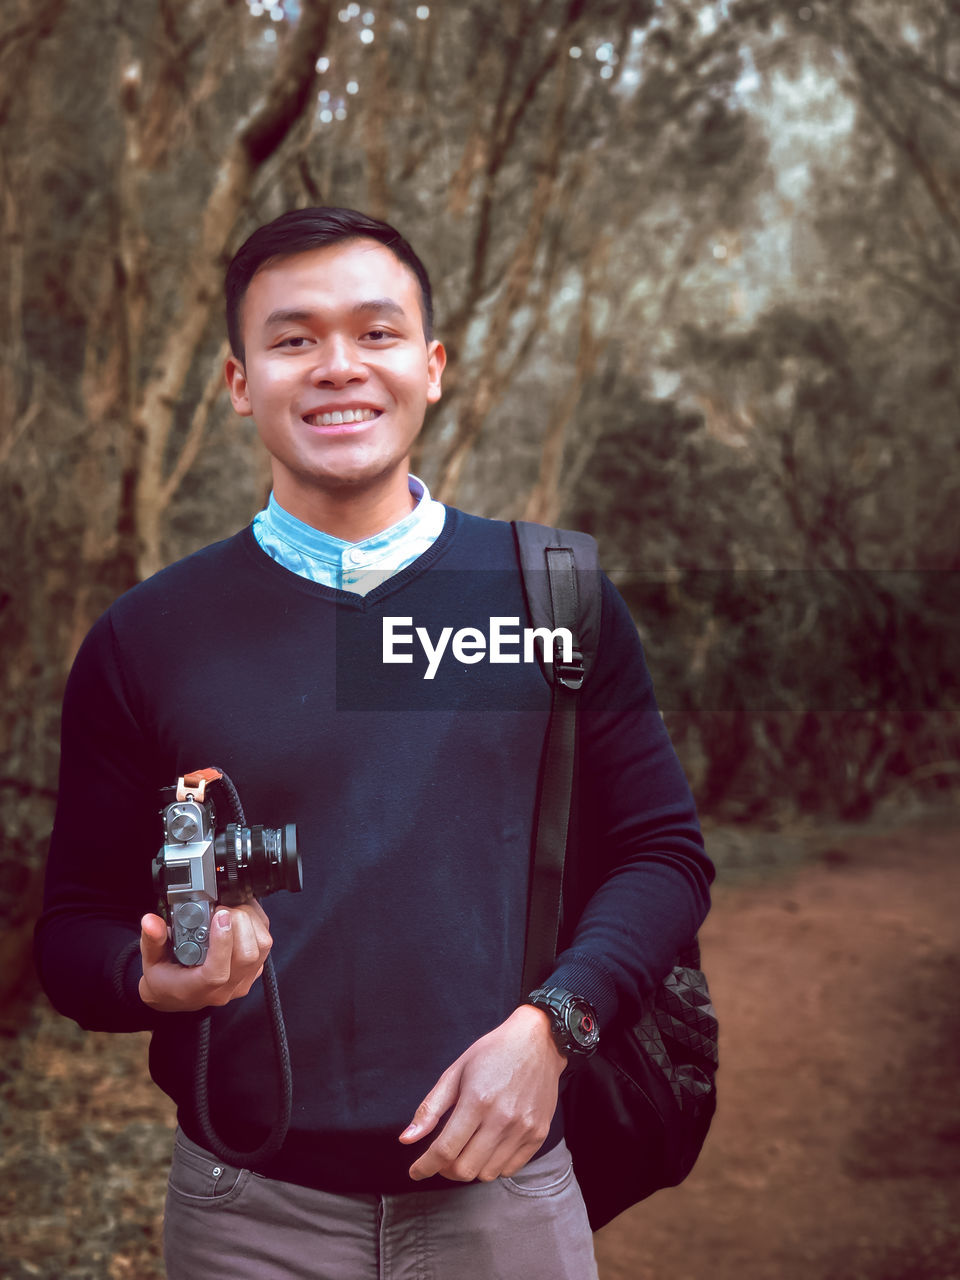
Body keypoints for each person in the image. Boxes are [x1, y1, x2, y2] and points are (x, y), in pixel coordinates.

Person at [35, 206, 713, 1279]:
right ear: (237, 380)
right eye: (294, 337)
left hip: (509, 1197)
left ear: (432, 366)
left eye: (378, 332)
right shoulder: (145, 639)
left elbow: (664, 856)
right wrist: (150, 979)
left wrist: (552, 1027)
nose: (338, 366)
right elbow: (71, 930)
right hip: (242, 1213)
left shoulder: (554, 595)